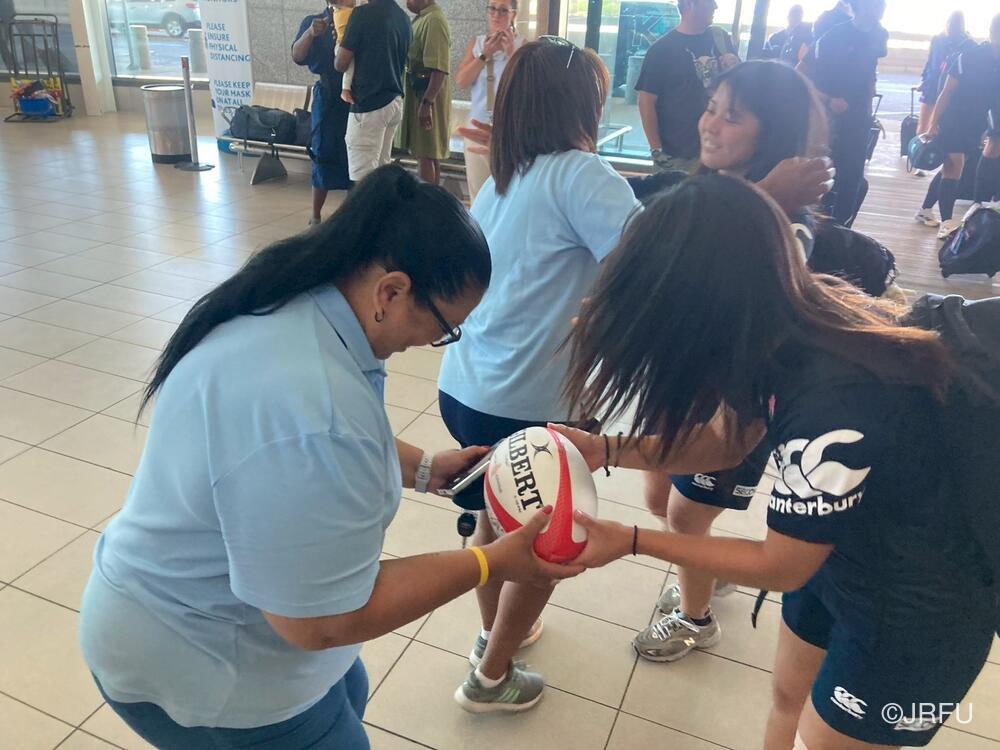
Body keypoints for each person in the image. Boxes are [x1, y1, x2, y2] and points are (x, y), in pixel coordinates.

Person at [78, 165, 581, 749]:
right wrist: (491, 562)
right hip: (203, 664)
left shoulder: (302, 303)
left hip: (200, 613)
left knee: (350, 686)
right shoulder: (314, 408)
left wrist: (423, 467)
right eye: (445, 327)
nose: (434, 342)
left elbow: (319, 443)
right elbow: (320, 623)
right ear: (391, 291)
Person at [556, 174, 996, 749]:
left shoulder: (835, 402)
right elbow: (727, 442)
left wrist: (632, 540)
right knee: (788, 698)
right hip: (838, 559)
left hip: (920, 611)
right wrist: (607, 450)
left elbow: (779, 565)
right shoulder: (772, 325)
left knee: (822, 739)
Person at [437, 37, 641, 712]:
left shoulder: (503, 179)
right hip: (529, 402)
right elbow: (653, 267)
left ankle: (495, 635)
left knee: (495, 518)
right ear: (582, 104)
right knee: (545, 547)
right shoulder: (585, 175)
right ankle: (490, 677)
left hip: (466, 389)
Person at [632, 59, 833, 665]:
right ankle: (706, 567)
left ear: (771, 135)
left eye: (733, 116)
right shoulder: (709, 191)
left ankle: (695, 620)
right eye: (711, 107)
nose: (710, 124)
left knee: (682, 517)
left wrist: (767, 196)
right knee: (659, 497)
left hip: (734, 410)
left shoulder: (787, 227)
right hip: (680, 386)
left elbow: (721, 281)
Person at [799, 0, 888, 226]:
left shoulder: (879, 35)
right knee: (823, 174)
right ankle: (814, 227)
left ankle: (841, 229)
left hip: (858, 119)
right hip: (829, 120)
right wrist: (828, 100)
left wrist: (869, 96)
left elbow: (870, 68)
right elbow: (800, 74)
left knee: (853, 180)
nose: (883, 7)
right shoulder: (834, 36)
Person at [916, 13, 1000, 239]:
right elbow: (946, 92)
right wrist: (933, 123)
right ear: (993, 33)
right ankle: (946, 222)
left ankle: (925, 209)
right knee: (955, 165)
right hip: (953, 117)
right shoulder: (970, 56)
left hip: (976, 123)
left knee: (950, 168)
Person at [635, 0, 740, 174]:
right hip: (677, 155)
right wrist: (657, 150)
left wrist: (735, 66)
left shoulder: (721, 39)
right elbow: (646, 101)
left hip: (719, 150)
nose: (715, 6)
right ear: (690, 4)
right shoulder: (661, 50)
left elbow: (740, 87)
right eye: (709, 2)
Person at [453, 0, 523, 200]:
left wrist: (511, 55)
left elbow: (526, 87)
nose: (496, 15)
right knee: (478, 195)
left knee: (508, 193)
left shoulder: (522, 46)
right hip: (477, 126)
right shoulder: (477, 44)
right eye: (492, 9)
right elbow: (461, 81)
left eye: (503, 10)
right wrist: (485, 55)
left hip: (508, 131)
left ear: (513, 14)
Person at [335, 0, 411, 182]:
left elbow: (341, 64)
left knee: (363, 180)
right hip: (393, 101)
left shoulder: (362, 14)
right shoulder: (403, 18)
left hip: (369, 104)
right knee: (382, 175)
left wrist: (338, 43)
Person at [292, 1, 353, 225]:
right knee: (322, 153)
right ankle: (316, 216)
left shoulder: (359, 21)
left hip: (354, 96)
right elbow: (297, 56)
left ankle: (350, 216)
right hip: (327, 95)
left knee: (353, 156)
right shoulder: (315, 22)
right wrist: (310, 34)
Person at [396, 0, 452, 185]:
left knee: (426, 153)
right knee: (427, 153)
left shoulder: (434, 20)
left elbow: (439, 68)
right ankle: (431, 197)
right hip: (420, 94)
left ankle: (426, 198)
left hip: (427, 94)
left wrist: (427, 103)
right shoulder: (423, 18)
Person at [916, 11, 975, 136]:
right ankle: (920, 146)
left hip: (948, 85)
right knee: (922, 126)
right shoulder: (937, 40)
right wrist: (923, 80)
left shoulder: (965, 43)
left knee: (937, 125)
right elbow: (930, 61)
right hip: (932, 84)